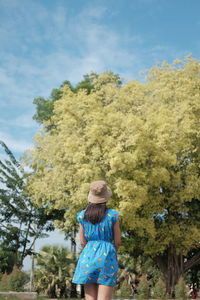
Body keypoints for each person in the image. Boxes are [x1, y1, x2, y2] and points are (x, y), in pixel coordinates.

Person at [72, 180, 121, 300]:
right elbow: (118, 241)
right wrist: (111, 250)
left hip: (88, 255)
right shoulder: (112, 215)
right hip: (107, 255)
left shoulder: (82, 216)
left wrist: (90, 250)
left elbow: (82, 241)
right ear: (105, 197)